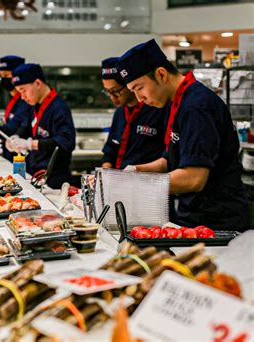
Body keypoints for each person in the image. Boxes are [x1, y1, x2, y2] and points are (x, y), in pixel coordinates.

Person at [117, 39, 249, 231]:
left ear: (161, 74)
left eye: (139, 88)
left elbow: (193, 178)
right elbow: (171, 159)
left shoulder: (196, 106)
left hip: (219, 223)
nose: (140, 99)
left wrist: (140, 186)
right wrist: (136, 171)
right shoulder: (175, 102)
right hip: (193, 216)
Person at [6, 63, 76, 189]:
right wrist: (16, 138)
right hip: (36, 175)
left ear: (38, 83)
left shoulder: (58, 108)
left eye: (23, 91)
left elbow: (67, 141)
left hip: (54, 180)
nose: (22, 97)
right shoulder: (35, 106)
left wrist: (31, 144)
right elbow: (27, 127)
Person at [100, 57, 166, 169]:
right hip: (119, 180)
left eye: (115, 91)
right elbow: (111, 150)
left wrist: (136, 170)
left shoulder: (157, 108)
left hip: (148, 180)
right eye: (108, 92)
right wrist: (105, 172)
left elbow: (168, 157)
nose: (112, 98)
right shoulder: (120, 113)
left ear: (129, 85)